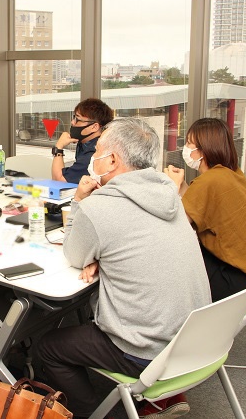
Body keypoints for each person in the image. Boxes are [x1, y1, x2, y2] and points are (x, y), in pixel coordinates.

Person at [37, 118, 211, 419]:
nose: (93, 157)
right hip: (194, 337)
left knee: (47, 347)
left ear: (113, 159)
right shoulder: (169, 195)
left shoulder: (99, 206)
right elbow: (142, 245)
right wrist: (105, 255)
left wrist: (79, 201)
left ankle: (94, 414)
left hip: (146, 348)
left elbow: (75, 254)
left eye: (99, 150)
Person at [164, 117, 246, 305]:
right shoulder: (229, 172)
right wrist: (183, 186)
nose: (186, 149)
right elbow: (203, 204)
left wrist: (171, 187)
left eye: (189, 144)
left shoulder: (210, 181)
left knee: (175, 268)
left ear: (203, 149)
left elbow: (178, 227)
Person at [51, 98, 114, 184]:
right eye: (74, 117)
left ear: (94, 127)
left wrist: (58, 147)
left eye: (77, 119)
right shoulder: (86, 143)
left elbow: (59, 181)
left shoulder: (95, 152)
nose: (72, 122)